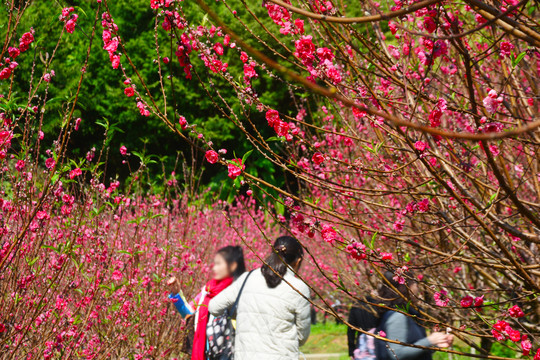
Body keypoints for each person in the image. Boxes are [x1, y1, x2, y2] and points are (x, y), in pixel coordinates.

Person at [209, 236, 311, 360]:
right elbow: (302, 336)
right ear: (298, 261)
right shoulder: (299, 288)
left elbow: (214, 307)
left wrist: (242, 313)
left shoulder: (247, 278)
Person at [167, 245, 246, 360]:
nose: (214, 268)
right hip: (207, 355)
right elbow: (188, 313)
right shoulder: (207, 291)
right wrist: (176, 293)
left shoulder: (241, 291)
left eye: (219, 264)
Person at [375, 271, 453, 360]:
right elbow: (396, 354)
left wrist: (435, 343)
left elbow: (414, 350)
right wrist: (429, 341)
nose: (417, 288)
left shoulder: (408, 314)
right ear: (406, 287)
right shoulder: (398, 317)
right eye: (415, 283)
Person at [347, 296, 379, 360]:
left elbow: (351, 330)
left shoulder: (356, 306)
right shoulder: (377, 304)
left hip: (361, 344)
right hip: (376, 342)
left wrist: (351, 351)